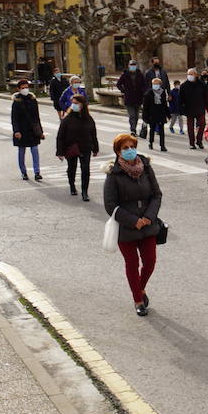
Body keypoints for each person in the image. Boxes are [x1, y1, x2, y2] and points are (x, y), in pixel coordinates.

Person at [103, 133, 163, 317]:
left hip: (147, 224)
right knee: (132, 264)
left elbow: (156, 194)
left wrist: (148, 217)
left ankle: (140, 289)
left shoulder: (146, 167)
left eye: (132, 147)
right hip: (126, 228)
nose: (130, 151)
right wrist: (133, 221)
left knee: (150, 262)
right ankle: (138, 300)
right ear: (118, 151)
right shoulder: (113, 174)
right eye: (125, 148)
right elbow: (110, 205)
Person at [56, 94, 100, 200]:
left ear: (82, 105)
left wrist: (95, 148)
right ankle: (72, 186)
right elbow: (60, 136)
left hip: (85, 147)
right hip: (71, 147)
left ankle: (85, 191)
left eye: (76, 103)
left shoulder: (88, 119)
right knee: (72, 168)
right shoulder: (67, 119)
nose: (74, 105)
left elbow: (93, 134)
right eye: (73, 103)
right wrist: (60, 152)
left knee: (85, 170)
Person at [10, 79, 44, 181]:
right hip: (21, 130)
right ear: (18, 89)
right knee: (21, 151)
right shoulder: (16, 101)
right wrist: (16, 131)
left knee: (35, 150)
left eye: (26, 87)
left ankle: (37, 172)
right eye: (23, 88)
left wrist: (40, 131)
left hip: (32, 130)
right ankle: (23, 172)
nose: (25, 89)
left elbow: (37, 117)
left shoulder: (33, 99)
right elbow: (14, 118)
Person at [179, 67, 208, 149]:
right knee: (190, 127)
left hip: (200, 109)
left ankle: (199, 141)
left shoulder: (202, 85)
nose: (190, 76)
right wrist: (181, 110)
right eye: (188, 74)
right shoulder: (184, 86)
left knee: (202, 125)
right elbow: (180, 99)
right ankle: (192, 143)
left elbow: (206, 97)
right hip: (189, 109)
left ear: (196, 75)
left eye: (192, 74)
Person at [117, 58, 148, 135]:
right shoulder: (125, 75)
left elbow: (145, 85)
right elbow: (118, 84)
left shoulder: (140, 74)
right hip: (129, 98)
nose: (133, 66)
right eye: (131, 65)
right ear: (128, 66)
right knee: (132, 115)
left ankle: (134, 128)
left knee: (137, 116)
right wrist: (123, 90)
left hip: (138, 98)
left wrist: (144, 92)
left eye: (134, 65)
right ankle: (133, 130)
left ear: (136, 66)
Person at [141, 75, 170, 151]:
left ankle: (162, 145)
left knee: (161, 131)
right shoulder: (148, 94)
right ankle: (151, 142)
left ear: (160, 85)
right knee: (152, 130)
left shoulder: (163, 93)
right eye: (154, 84)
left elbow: (164, 104)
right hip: (152, 115)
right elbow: (145, 107)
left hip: (161, 114)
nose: (155, 85)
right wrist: (145, 118)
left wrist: (168, 114)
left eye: (157, 84)